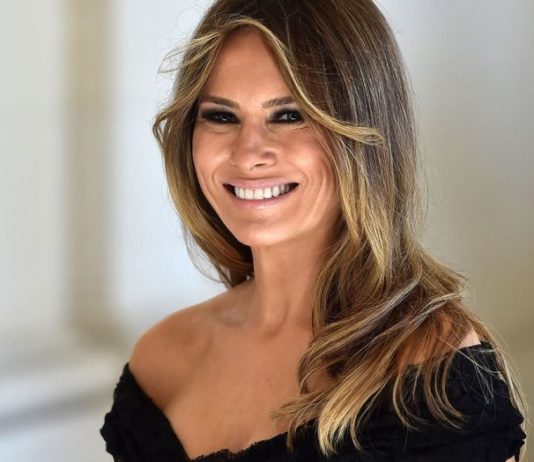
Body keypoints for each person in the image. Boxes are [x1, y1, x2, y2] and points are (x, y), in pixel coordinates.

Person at [100, 0, 527, 460]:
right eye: (221, 116)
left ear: (363, 132)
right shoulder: (161, 362)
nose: (248, 154)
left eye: (289, 115)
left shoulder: (434, 372)